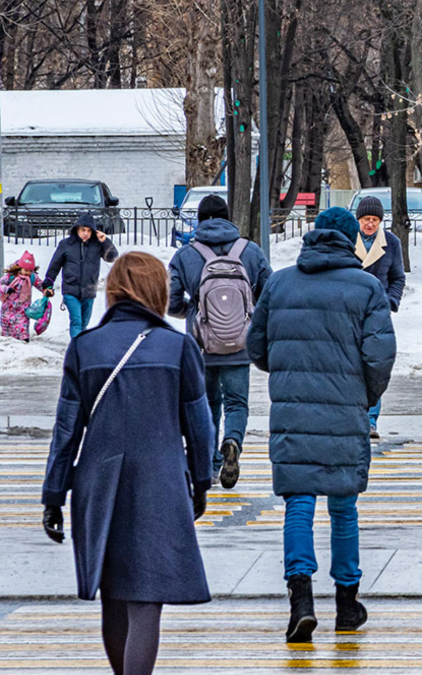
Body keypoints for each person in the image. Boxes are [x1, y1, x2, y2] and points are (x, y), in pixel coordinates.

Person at [41, 252, 214, 675]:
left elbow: (67, 431)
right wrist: (202, 481)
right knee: (145, 600)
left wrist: (53, 496)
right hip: (160, 483)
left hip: (97, 485)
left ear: (113, 291)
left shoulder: (85, 347)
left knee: (113, 595)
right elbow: (200, 424)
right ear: (158, 292)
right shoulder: (178, 347)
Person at [247, 206, 396, 643]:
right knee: (343, 506)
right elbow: (380, 356)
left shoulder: (280, 283)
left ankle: (301, 601)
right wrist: (364, 397)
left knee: (298, 504)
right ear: (351, 241)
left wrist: (288, 370)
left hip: (293, 413)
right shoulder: (367, 287)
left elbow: (257, 346)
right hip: (345, 411)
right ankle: (347, 605)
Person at [168, 195, 272, 489]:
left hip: (201, 345)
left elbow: (170, 300)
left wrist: (192, 312)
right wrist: (249, 317)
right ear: (228, 218)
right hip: (240, 344)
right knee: (237, 403)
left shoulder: (185, 255)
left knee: (208, 404)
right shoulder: (250, 251)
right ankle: (233, 441)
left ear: (200, 220)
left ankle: (211, 465)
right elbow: (269, 292)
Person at [353, 196, 406, 439]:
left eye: (374, 220)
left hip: (378, 316)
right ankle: (354, 418)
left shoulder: (391, 243)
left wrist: (390, 303)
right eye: (366, 219)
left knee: (374, 367)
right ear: (358, 220)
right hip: (350, 313)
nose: (370, 224)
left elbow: (398, 278)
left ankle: (370, 421)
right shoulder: (346, 240)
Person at [44, 214, 119, 338]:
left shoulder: (97, 246)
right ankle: (77, 348)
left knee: (84, 324)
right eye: (83, 230)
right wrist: (48, 282)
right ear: (77, 229)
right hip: (70, 289)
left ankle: (81, 348)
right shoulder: (66, 244)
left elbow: (112, 257)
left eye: (89, 231)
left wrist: (105, 241)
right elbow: (55, 265)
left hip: (89, 290)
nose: (85, 233)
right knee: (76, 322)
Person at [1, 251, 51, 341]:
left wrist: (47, 290)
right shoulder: (11, 276)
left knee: (22, 327)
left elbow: (40, 285)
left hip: (23, 308)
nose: (27, 273)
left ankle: (24, 339)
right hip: (8, 308)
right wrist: (6, 289)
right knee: (7, 328)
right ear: (20, 267)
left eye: (30, 271)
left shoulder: (32, 277)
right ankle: (8, 342)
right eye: (26, 270)